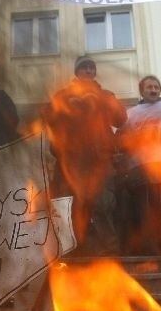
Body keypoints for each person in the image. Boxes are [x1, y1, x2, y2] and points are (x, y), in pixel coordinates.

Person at [43, 55, 127, 254]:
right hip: (70, 159)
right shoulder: (63, 94)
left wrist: (100, 102)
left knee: (103, 203)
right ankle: (70, 250)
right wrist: (69, 106)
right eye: (84, 68)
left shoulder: (106, 95)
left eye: (91, 68)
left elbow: (121, 119)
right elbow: (48, 117)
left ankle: (109, 250)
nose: (89, 71)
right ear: (77, 72)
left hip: (100, 159)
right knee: (68, 204)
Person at [117, 75, 161, 256]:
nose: (154, 90)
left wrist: (159, 132)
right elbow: (119, 140)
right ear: (141, 90)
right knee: (144, 212)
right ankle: (149, 254)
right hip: (139, 172)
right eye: (149, 87)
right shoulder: (130, 114)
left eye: (156, 87)